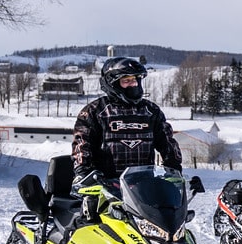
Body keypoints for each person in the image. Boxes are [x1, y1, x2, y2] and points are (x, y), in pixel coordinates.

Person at [70, 57, 182, 188]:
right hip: (105, 187)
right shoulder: (95, 111)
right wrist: (84, 173)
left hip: (143, 188)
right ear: (112, 83)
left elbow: (167, 143)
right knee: (92, 206)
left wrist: (174, 170)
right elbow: (82, 145)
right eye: (126, 81)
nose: (133, 84)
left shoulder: (151, 111)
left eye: (135, 80)